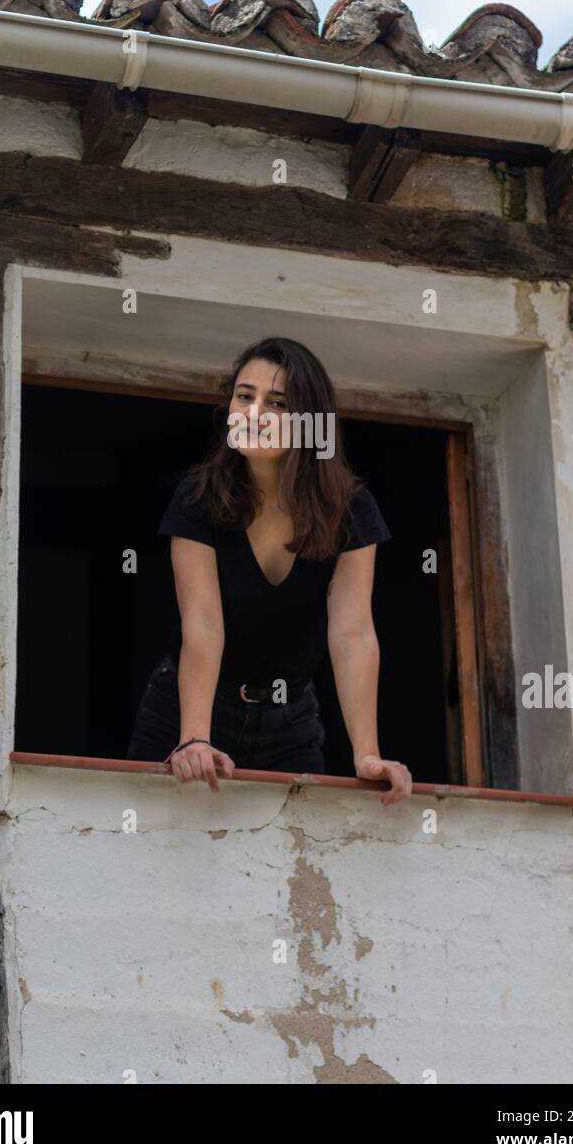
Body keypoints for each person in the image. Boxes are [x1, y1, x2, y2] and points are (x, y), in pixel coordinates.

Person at [127, 336, 413, 807]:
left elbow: (353, 633)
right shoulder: (199, 497)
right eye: (244, 395)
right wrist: (193, 738)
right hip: (189, 708)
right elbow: (202, 623)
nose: (253, 413)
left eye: (277, 403)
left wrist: (368, 756)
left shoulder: (351, 509)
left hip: (290, 719)